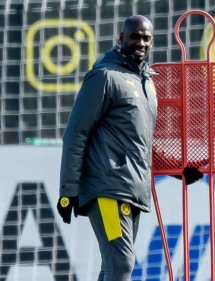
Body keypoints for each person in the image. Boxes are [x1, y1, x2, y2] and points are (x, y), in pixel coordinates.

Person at [57, 15, 157, 280]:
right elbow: (75, 133)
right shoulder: (104, 76)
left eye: (146, 38)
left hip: (132, 188)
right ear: (121, 38)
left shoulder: (147, 82)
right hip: (108, 188)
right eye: (134, 36)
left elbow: (141, 143)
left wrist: (178, 169)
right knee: (121, 264)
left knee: (112, 266)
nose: (141, 43)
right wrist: (68, 190)